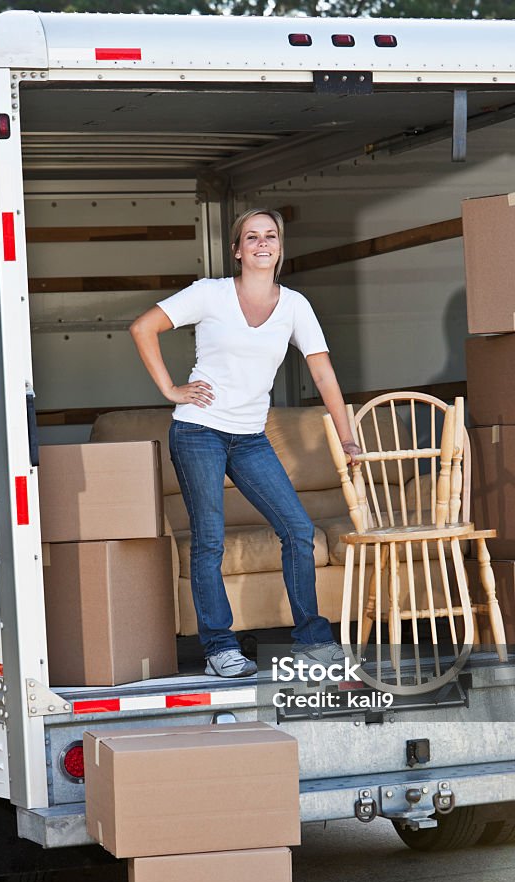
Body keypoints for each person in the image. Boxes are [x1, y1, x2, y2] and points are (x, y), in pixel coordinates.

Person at [130, 208, 360, 678]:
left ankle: (313, 641)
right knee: (210, 540)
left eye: (269, 236)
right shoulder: (209, 294)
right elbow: (143, 327)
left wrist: (347, 437)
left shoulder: (295, 305)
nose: (261, 243)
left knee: (298, 531)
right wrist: (171, 390)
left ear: (279, 247)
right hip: (198, 431)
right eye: (250, 237)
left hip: (251, 438)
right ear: (236, 249)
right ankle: (220, 649)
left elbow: (322, 373)